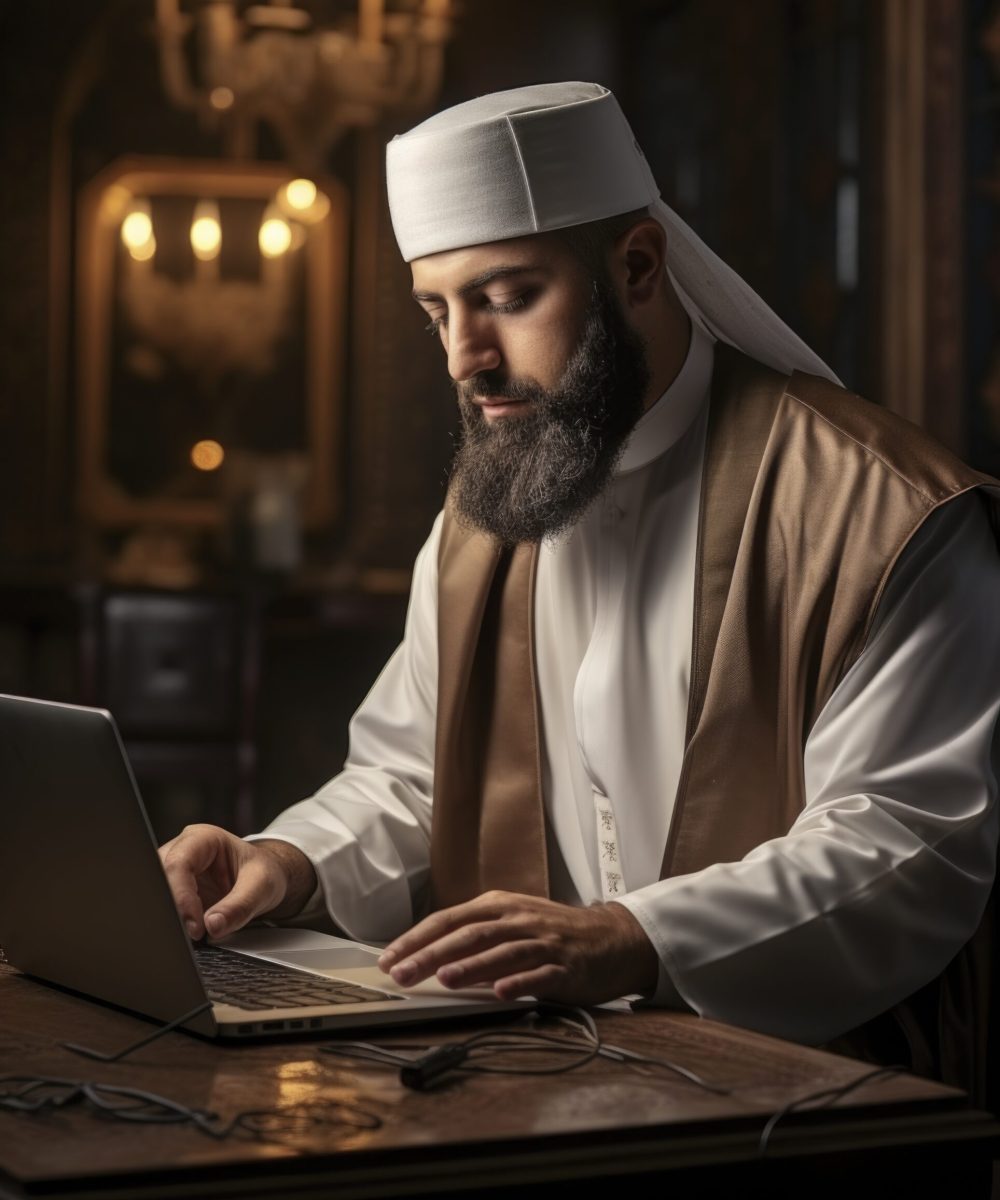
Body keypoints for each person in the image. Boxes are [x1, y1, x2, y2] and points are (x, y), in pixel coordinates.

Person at [160, 83, 1000, 1098]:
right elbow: (412, 776)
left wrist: (635, 938)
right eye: (437, 311)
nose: (466, 356)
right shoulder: (483, 520)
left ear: (637, 265)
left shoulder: (881, 512)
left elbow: (908, 839)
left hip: (818, 1104)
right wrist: (286, 860)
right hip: (547, 1092)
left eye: (507, 298)